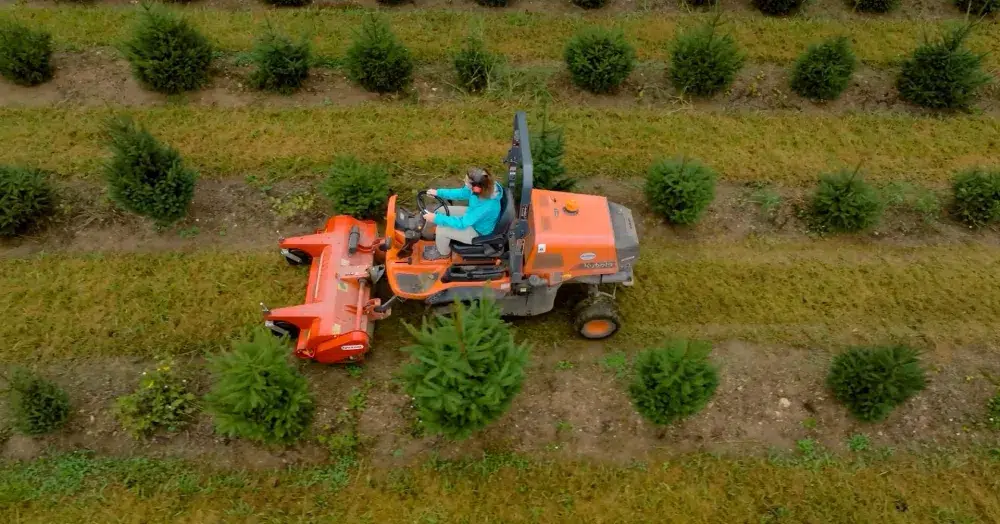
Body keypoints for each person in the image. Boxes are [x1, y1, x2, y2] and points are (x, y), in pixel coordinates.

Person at [422, 167, 503, 260]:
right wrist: (438, 192)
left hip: (478, 231)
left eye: (467, 183)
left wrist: (436, 219)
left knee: (441, 229)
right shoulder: (484, 186)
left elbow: (462, 223)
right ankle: (442, 239)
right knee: (441, 211)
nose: (464, 181)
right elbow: (461, 193)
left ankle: (443, 253)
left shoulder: (487, 206)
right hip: (473, 216)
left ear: (476, 188)